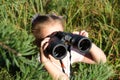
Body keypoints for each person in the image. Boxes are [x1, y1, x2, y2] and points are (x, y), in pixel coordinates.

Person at [31, 14, 106, 80]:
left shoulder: (68, 52)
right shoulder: (38, 61)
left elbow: (101, 61)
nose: (56, 40)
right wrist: (45, 61)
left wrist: (86, 43)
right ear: (39, 42)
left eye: (59, 35)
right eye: (50, 37)